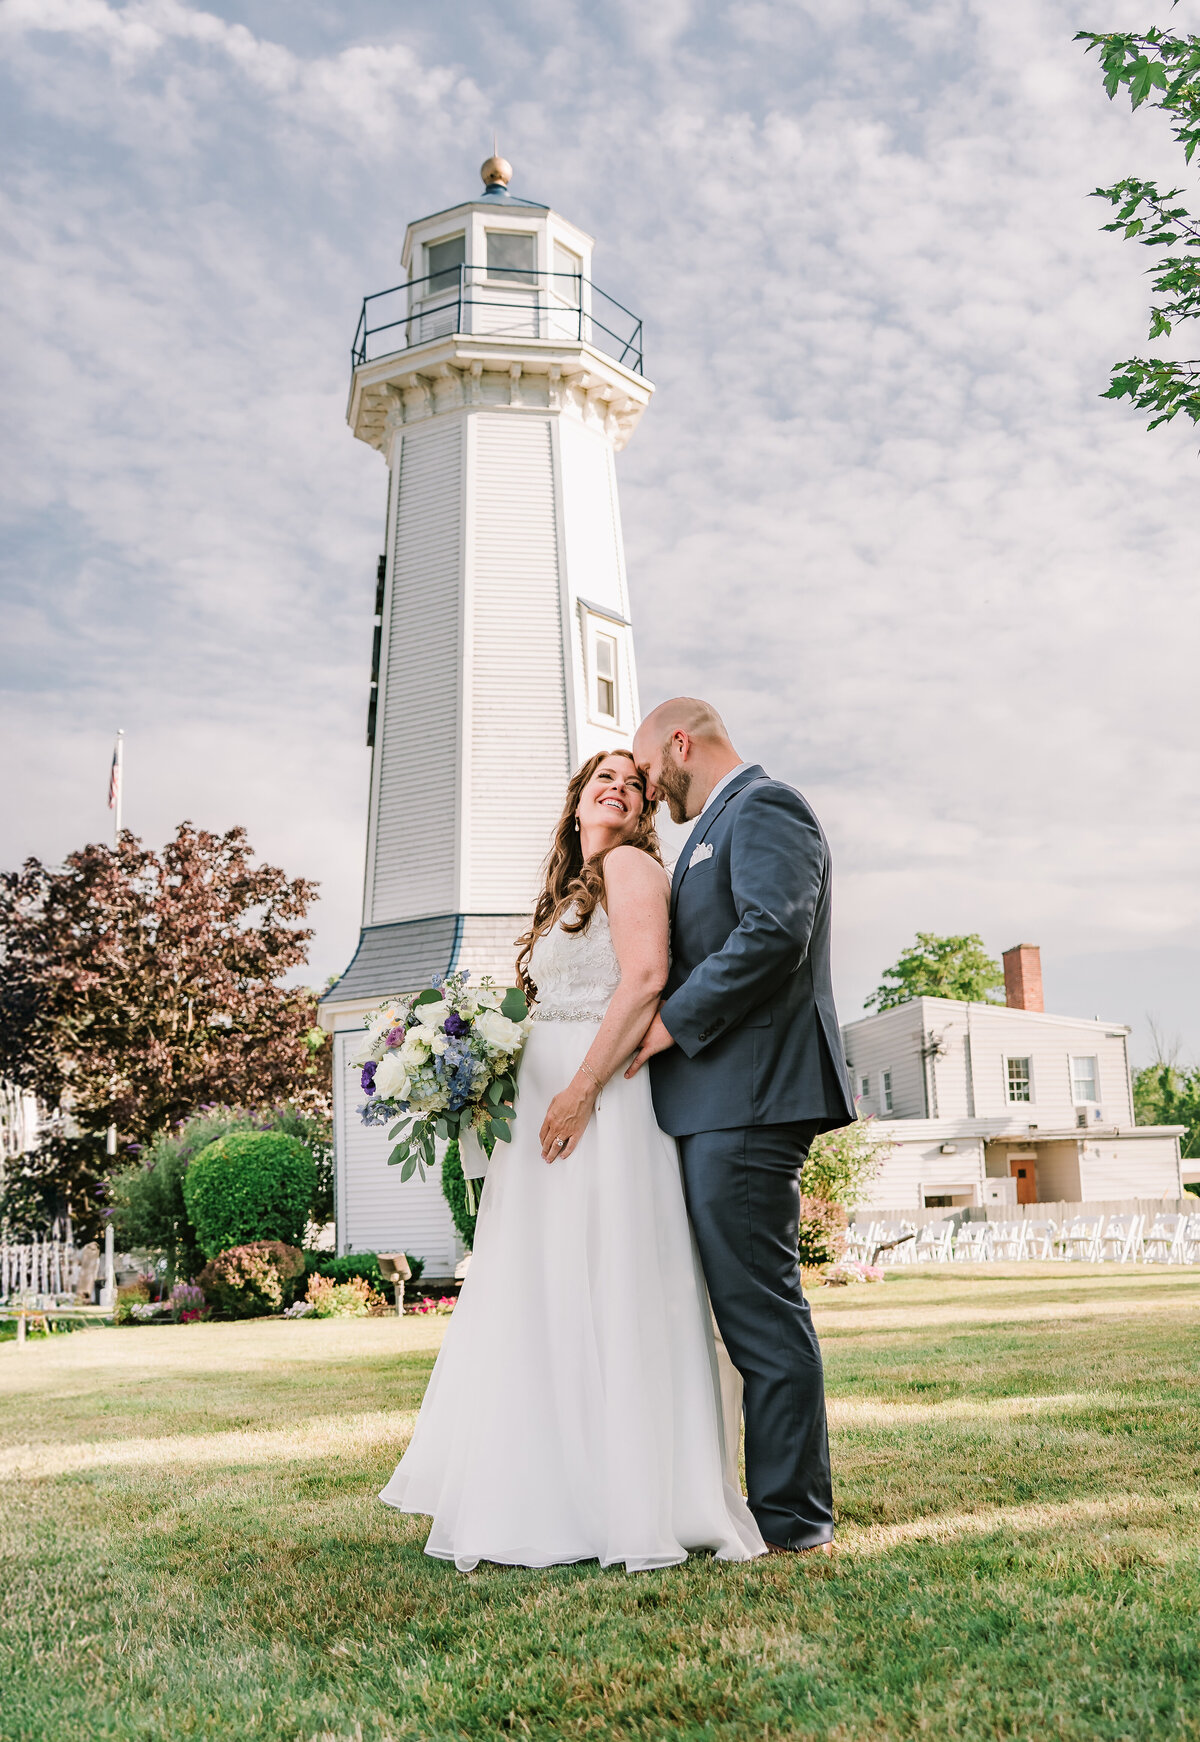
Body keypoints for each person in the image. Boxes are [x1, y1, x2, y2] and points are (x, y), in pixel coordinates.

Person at [379, 749, 765, 1573]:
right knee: (549, 1289)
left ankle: (626, 1497)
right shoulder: (573, 888)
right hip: (550, 1115)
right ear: (577, 799)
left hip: (604, 1108)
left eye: (633, 780)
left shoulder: (629, 865)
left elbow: (648, 977)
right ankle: (550, 1483)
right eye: (603, 777)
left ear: (641, 809)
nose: (619, 786)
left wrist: (583, 1086)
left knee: (607, 1279)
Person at [627, 698, 856, 1555]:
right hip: (719, 1104)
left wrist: (667, 1026)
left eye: (650, 770)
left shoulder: (766, 807)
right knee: (744, 1311)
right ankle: (773, 1509)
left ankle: (793, 1520)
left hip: (752, 1102)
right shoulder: (707, 833)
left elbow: (774, 933)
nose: (650, 791)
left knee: (760, 1313)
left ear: (681, 743)